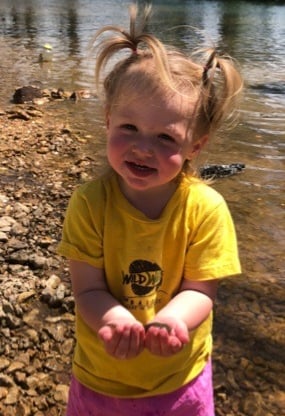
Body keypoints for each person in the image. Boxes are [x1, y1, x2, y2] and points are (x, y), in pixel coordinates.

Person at [58, 4, 243, 415]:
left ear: (196, 146)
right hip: (101, 379)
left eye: (165, 137)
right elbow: (87, 289)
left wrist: (173, 320)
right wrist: (113, 318)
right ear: (108, 121)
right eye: (129, 128)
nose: (143, 147)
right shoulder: (89, 203)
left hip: (179, 381)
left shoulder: (206, 208)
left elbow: (200, 290)